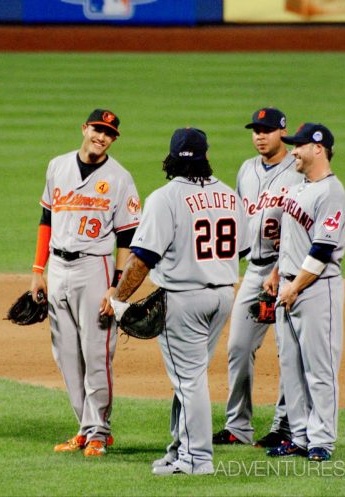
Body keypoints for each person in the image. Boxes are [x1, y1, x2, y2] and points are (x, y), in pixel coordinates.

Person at [110, 127, 250, 476]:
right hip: (222, 296)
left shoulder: (165, 197)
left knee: (189, 381)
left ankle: (196, 459)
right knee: (191, 376)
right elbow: (243, 249)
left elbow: (141, 259)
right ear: (205, 157)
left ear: (171, 159)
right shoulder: (230, 196)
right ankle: (179, 448)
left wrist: (116, 298)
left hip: (184, 300)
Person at [30, 109, 141, 458]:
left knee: (96, 354)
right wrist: (38, 269)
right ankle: (84, 428)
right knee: (65, 355)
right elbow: (47, 217)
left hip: (95, 269)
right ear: (85, 128)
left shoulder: (120, 178)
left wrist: (117, 286)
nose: (102, 137)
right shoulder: (57, 166)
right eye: (97, 129)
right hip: (58, 268)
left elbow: (128, 236)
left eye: (109, 134)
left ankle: (99, 432)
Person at [212, 107, 303, 449]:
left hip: (290, 272)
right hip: (255, 270)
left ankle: (286, 426)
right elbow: (238, 221)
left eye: (266, 130)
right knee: (238, 346)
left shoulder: (297, 169)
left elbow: (326, 204)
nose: (260, 135)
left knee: (288, 352)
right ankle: (238, 426)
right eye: (255, 130)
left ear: (283, 132)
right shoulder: (247, 170)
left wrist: (282, 269)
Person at [263, 123, 345, 462]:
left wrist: (294, 286)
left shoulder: (332, 192)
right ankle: (298, 437)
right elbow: (291, 240)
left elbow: (322, 251)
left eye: (298, 146)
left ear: (318, 148)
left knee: (319, 368)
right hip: (288, 286)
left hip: (316, 290)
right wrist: (276, 274)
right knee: (291, 368)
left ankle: (321, 441)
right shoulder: (299, 188)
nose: (293, 151)